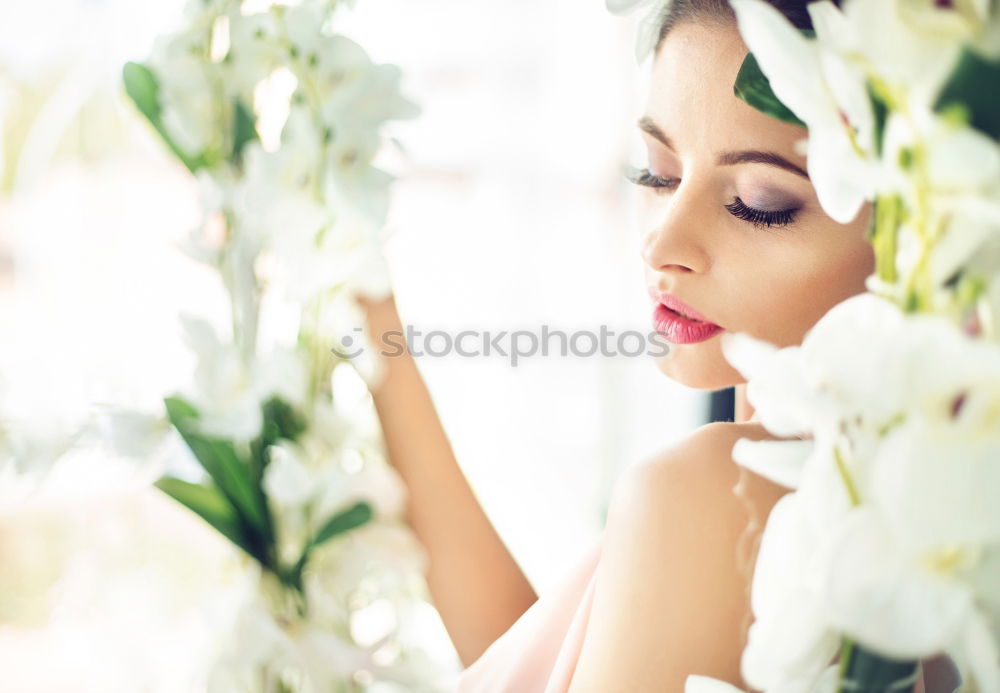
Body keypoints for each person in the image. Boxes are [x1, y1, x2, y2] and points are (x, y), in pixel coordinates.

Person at [355, 0, 960, 690]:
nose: (663, 242)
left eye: (759, 203)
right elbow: (543, 655)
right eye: (659, 172)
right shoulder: (919, 528)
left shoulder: (718, 497)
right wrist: (374, 322)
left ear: (927, 241)